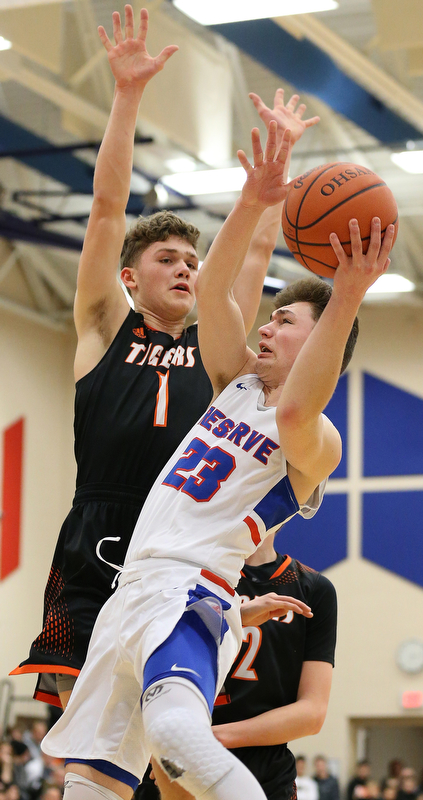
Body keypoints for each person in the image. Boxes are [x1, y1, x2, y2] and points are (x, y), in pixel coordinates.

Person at [40, 49, 394, 800]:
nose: (265, 329)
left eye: (286, 322)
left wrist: (347, 295)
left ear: (322, 340)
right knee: (88, 783)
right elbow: (217, 297)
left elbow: (298, 402)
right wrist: (253, 197)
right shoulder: (232, 383)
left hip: (187, 592)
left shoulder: (314, 436)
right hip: (128, 585)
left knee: (174, 742)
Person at [10, 5, 318, 712]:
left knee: (163, 733)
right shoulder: (102, 326)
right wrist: (125, 96)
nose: (186, 269)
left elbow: (259, 251)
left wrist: (275, 168)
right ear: (129, 277)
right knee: (82, 726)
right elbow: (108, 208)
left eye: (193, 259)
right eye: (168, 259)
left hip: (177, 544)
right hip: (93, 537)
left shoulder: (217, 346)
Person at [141, 531, 337, 800]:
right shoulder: (190, 571)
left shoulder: (312, 587)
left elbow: (312, 713)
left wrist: (204, 738)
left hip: (261, 765)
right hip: (174, 755)